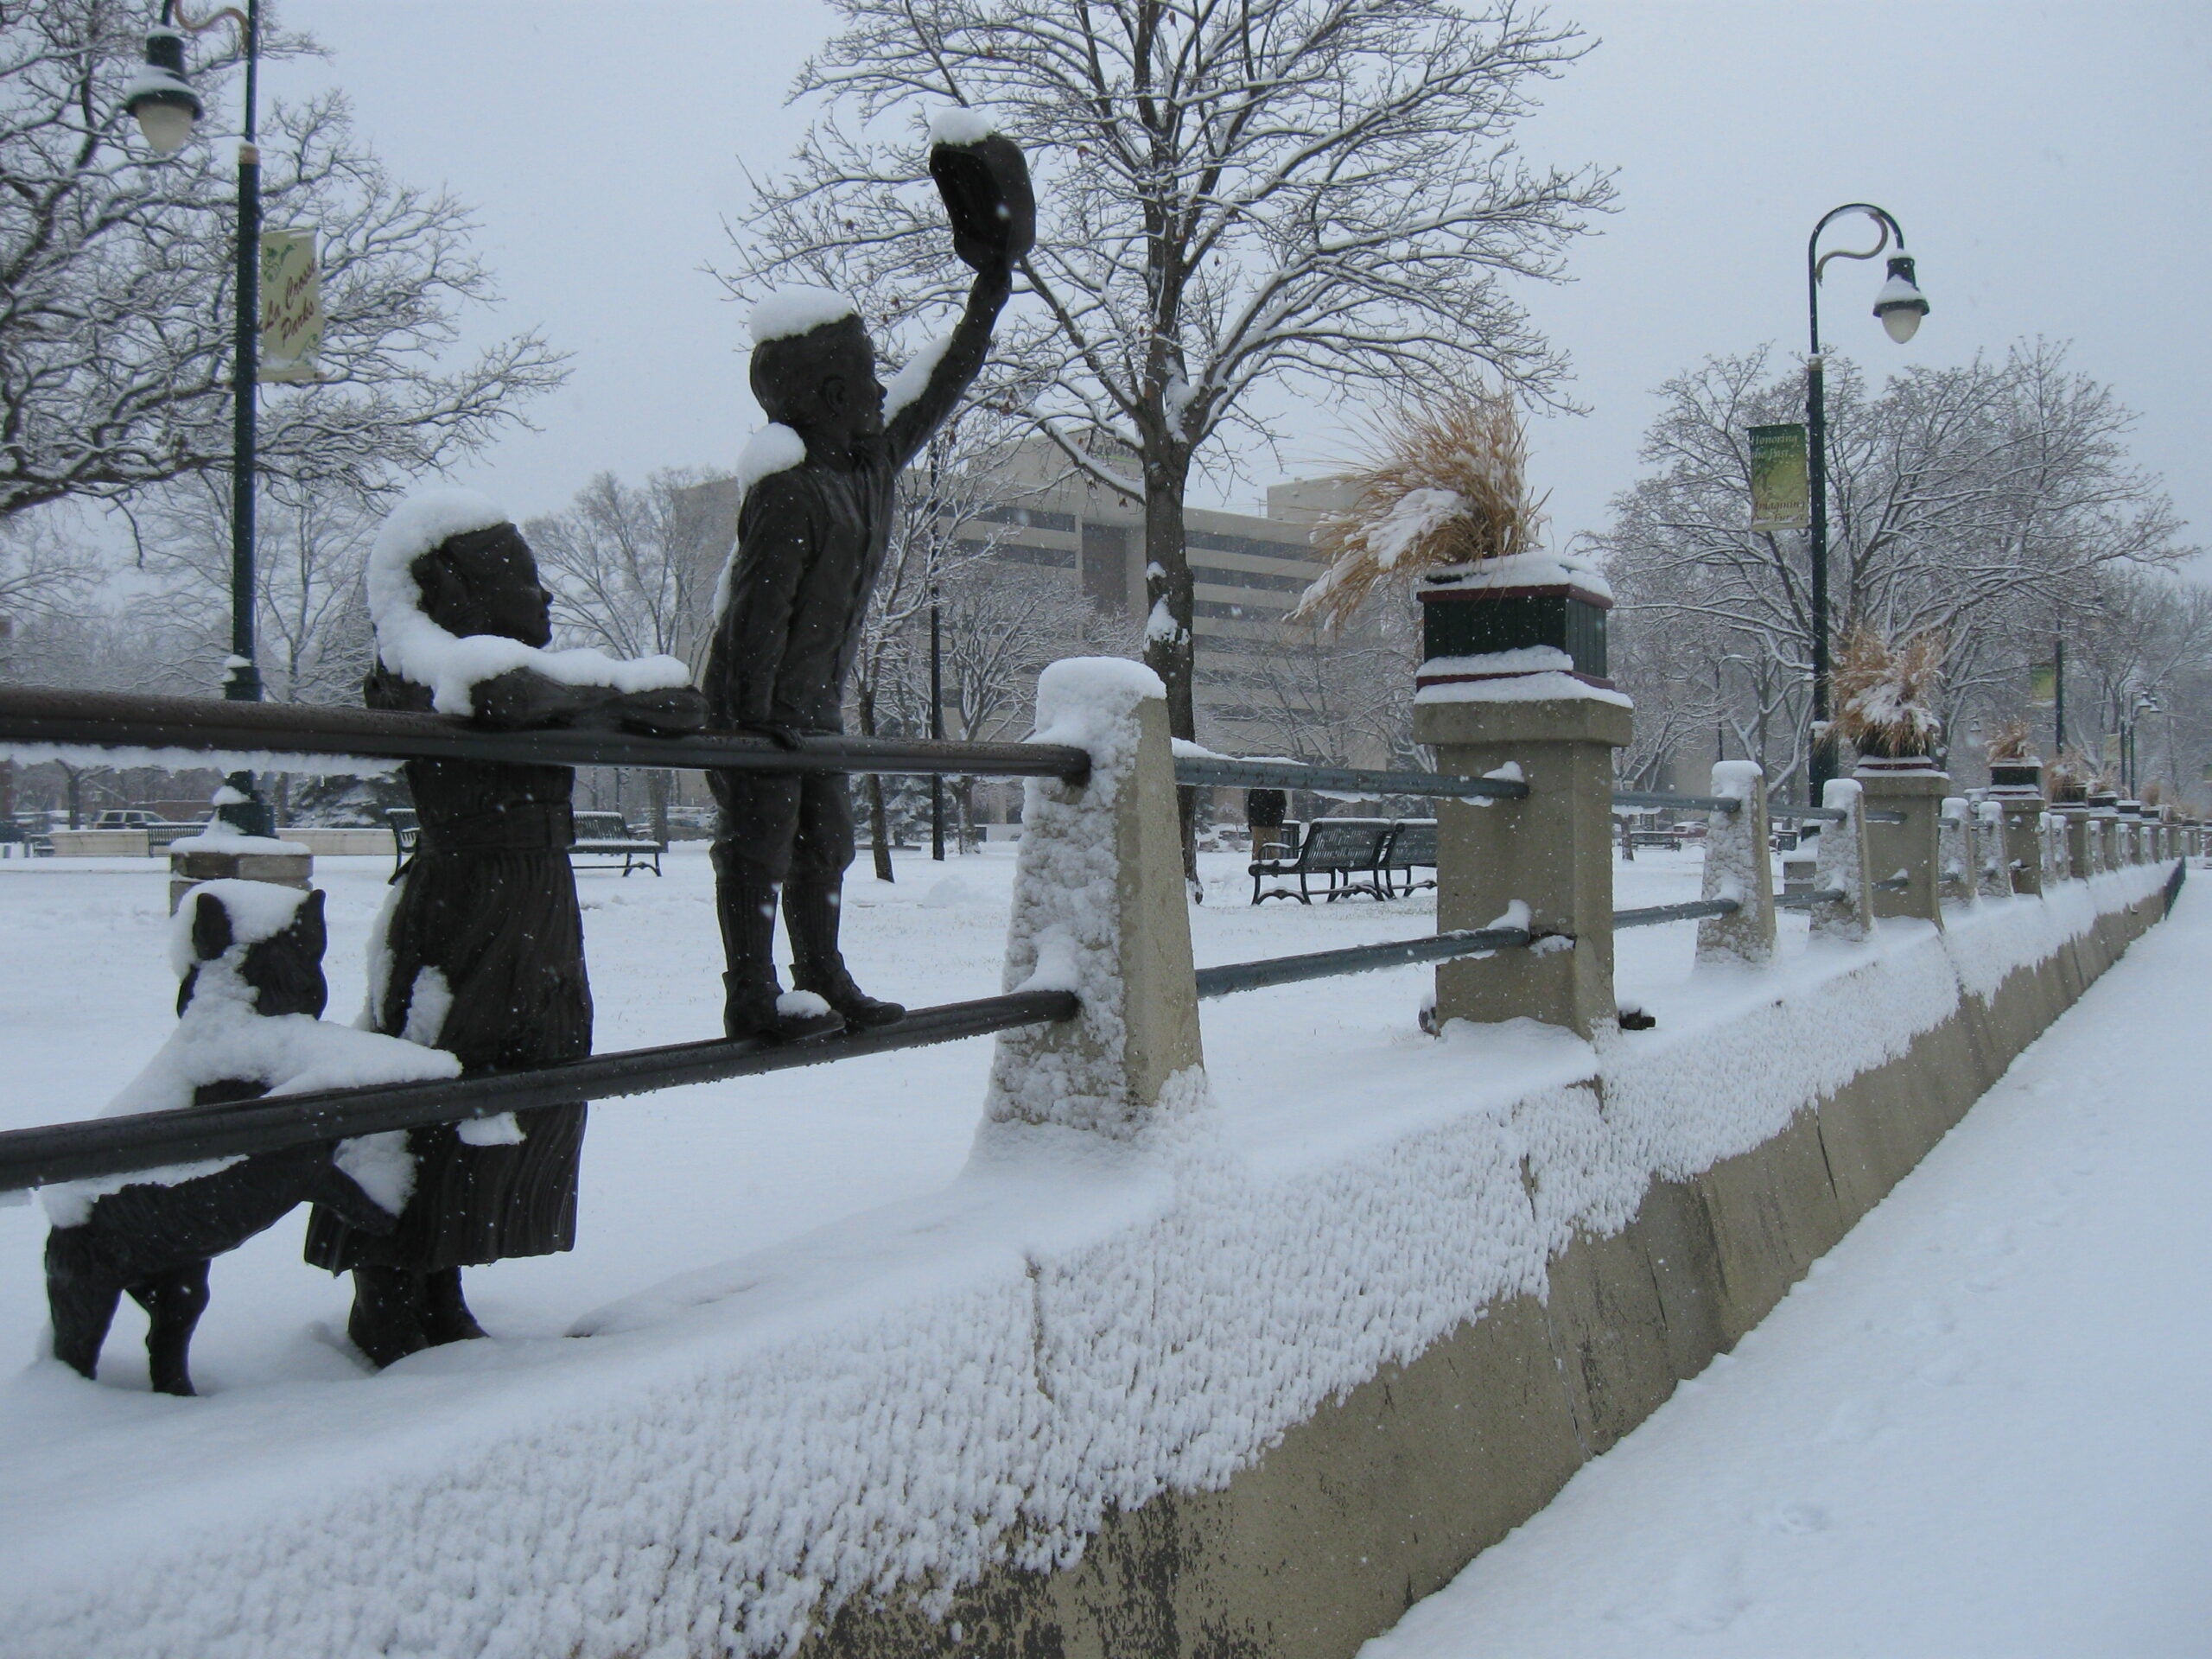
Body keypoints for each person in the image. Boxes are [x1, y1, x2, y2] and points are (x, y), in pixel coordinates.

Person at [305, 502, 704, 1367]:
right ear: (452, 590)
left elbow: (680, 700)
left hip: (539, 908)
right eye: (519, 576)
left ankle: (444, 1278)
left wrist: (578, 697)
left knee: (526, 1083)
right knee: (440, 1081)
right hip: (464, 903)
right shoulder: (415, 665)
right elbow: (498, 694)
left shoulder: (531, 677)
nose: (544, 592)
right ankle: (388, 1290)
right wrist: (594, 697)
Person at [702, 126, 1033, 1039]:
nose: (879, 389)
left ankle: (822, 976)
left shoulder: (871, 466)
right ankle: (752, 993)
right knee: (760, 845)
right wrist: (759, 726)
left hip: (813, 701)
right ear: (813, 398)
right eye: (857, 379)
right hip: (755, 702)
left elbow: (941, 384)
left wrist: (988, 292)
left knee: (828, 846)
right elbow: (758, 612)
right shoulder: (791, 493)